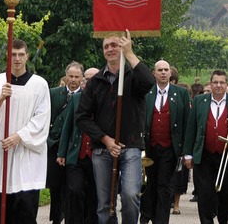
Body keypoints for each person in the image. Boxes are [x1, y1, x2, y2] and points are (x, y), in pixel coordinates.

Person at [75, 30, 155, 224]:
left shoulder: (134, 77)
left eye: (114, 45)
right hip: (102, 150)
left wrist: (129, 54)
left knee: (130, 196)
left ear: (122, 46)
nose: (110, 49)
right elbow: (82, 117)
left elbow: (149, 82)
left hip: (131, 147)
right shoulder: (94, 82)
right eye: (106, 46)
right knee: (104, 203)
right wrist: (105, 139)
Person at [0, 39, 51, 224]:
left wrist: (19, 136)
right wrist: (0, 99)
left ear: (27, 56)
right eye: (13, 55)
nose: (17, 59)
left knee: (24, 209)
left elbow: (42, 118)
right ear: (9, 56)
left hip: (25, 155)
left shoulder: (39, 84)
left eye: (21, 55)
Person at [183, 70, 228, 224]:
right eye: (215, 82)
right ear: (210, 83)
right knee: (204, 195)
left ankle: (223, 220)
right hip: (204, 155)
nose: (218, 85)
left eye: (222, 82)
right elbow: (192, 128)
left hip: (227, 155)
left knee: (227, 195)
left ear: (226, 85)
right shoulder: (199, 100)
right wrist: (188, 154)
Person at [140, 60, 190, 224]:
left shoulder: (180, 93)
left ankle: (161, 220)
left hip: (169, 148)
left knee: (164, 185)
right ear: (154, 73)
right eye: (159, 70)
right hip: (149, 146)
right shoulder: (146, 91)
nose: (163, 72)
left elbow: (186, 122)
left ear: (170, 73)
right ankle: (146, 215)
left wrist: (185, 150)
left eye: (166, 70)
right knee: (148, 184)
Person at [57, 67, 100, 224]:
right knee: (75, 190)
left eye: (92, 79)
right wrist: (62, 153)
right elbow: (67, 126)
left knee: (94, 195)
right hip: (77, 155)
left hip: (98, 155)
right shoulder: (76, 99)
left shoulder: (106, 99)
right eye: (86, 79)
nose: (88, 82)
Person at [47, 61, 85, 224]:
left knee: (72, 188)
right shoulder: (53, 94)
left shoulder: (85, 96)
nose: (73, 80)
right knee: (55, 186)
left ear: (82, 78)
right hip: (54, 146)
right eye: (70, 76)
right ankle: (56, 218)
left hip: (74, 149)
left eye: (77, 77)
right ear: (65, 76)